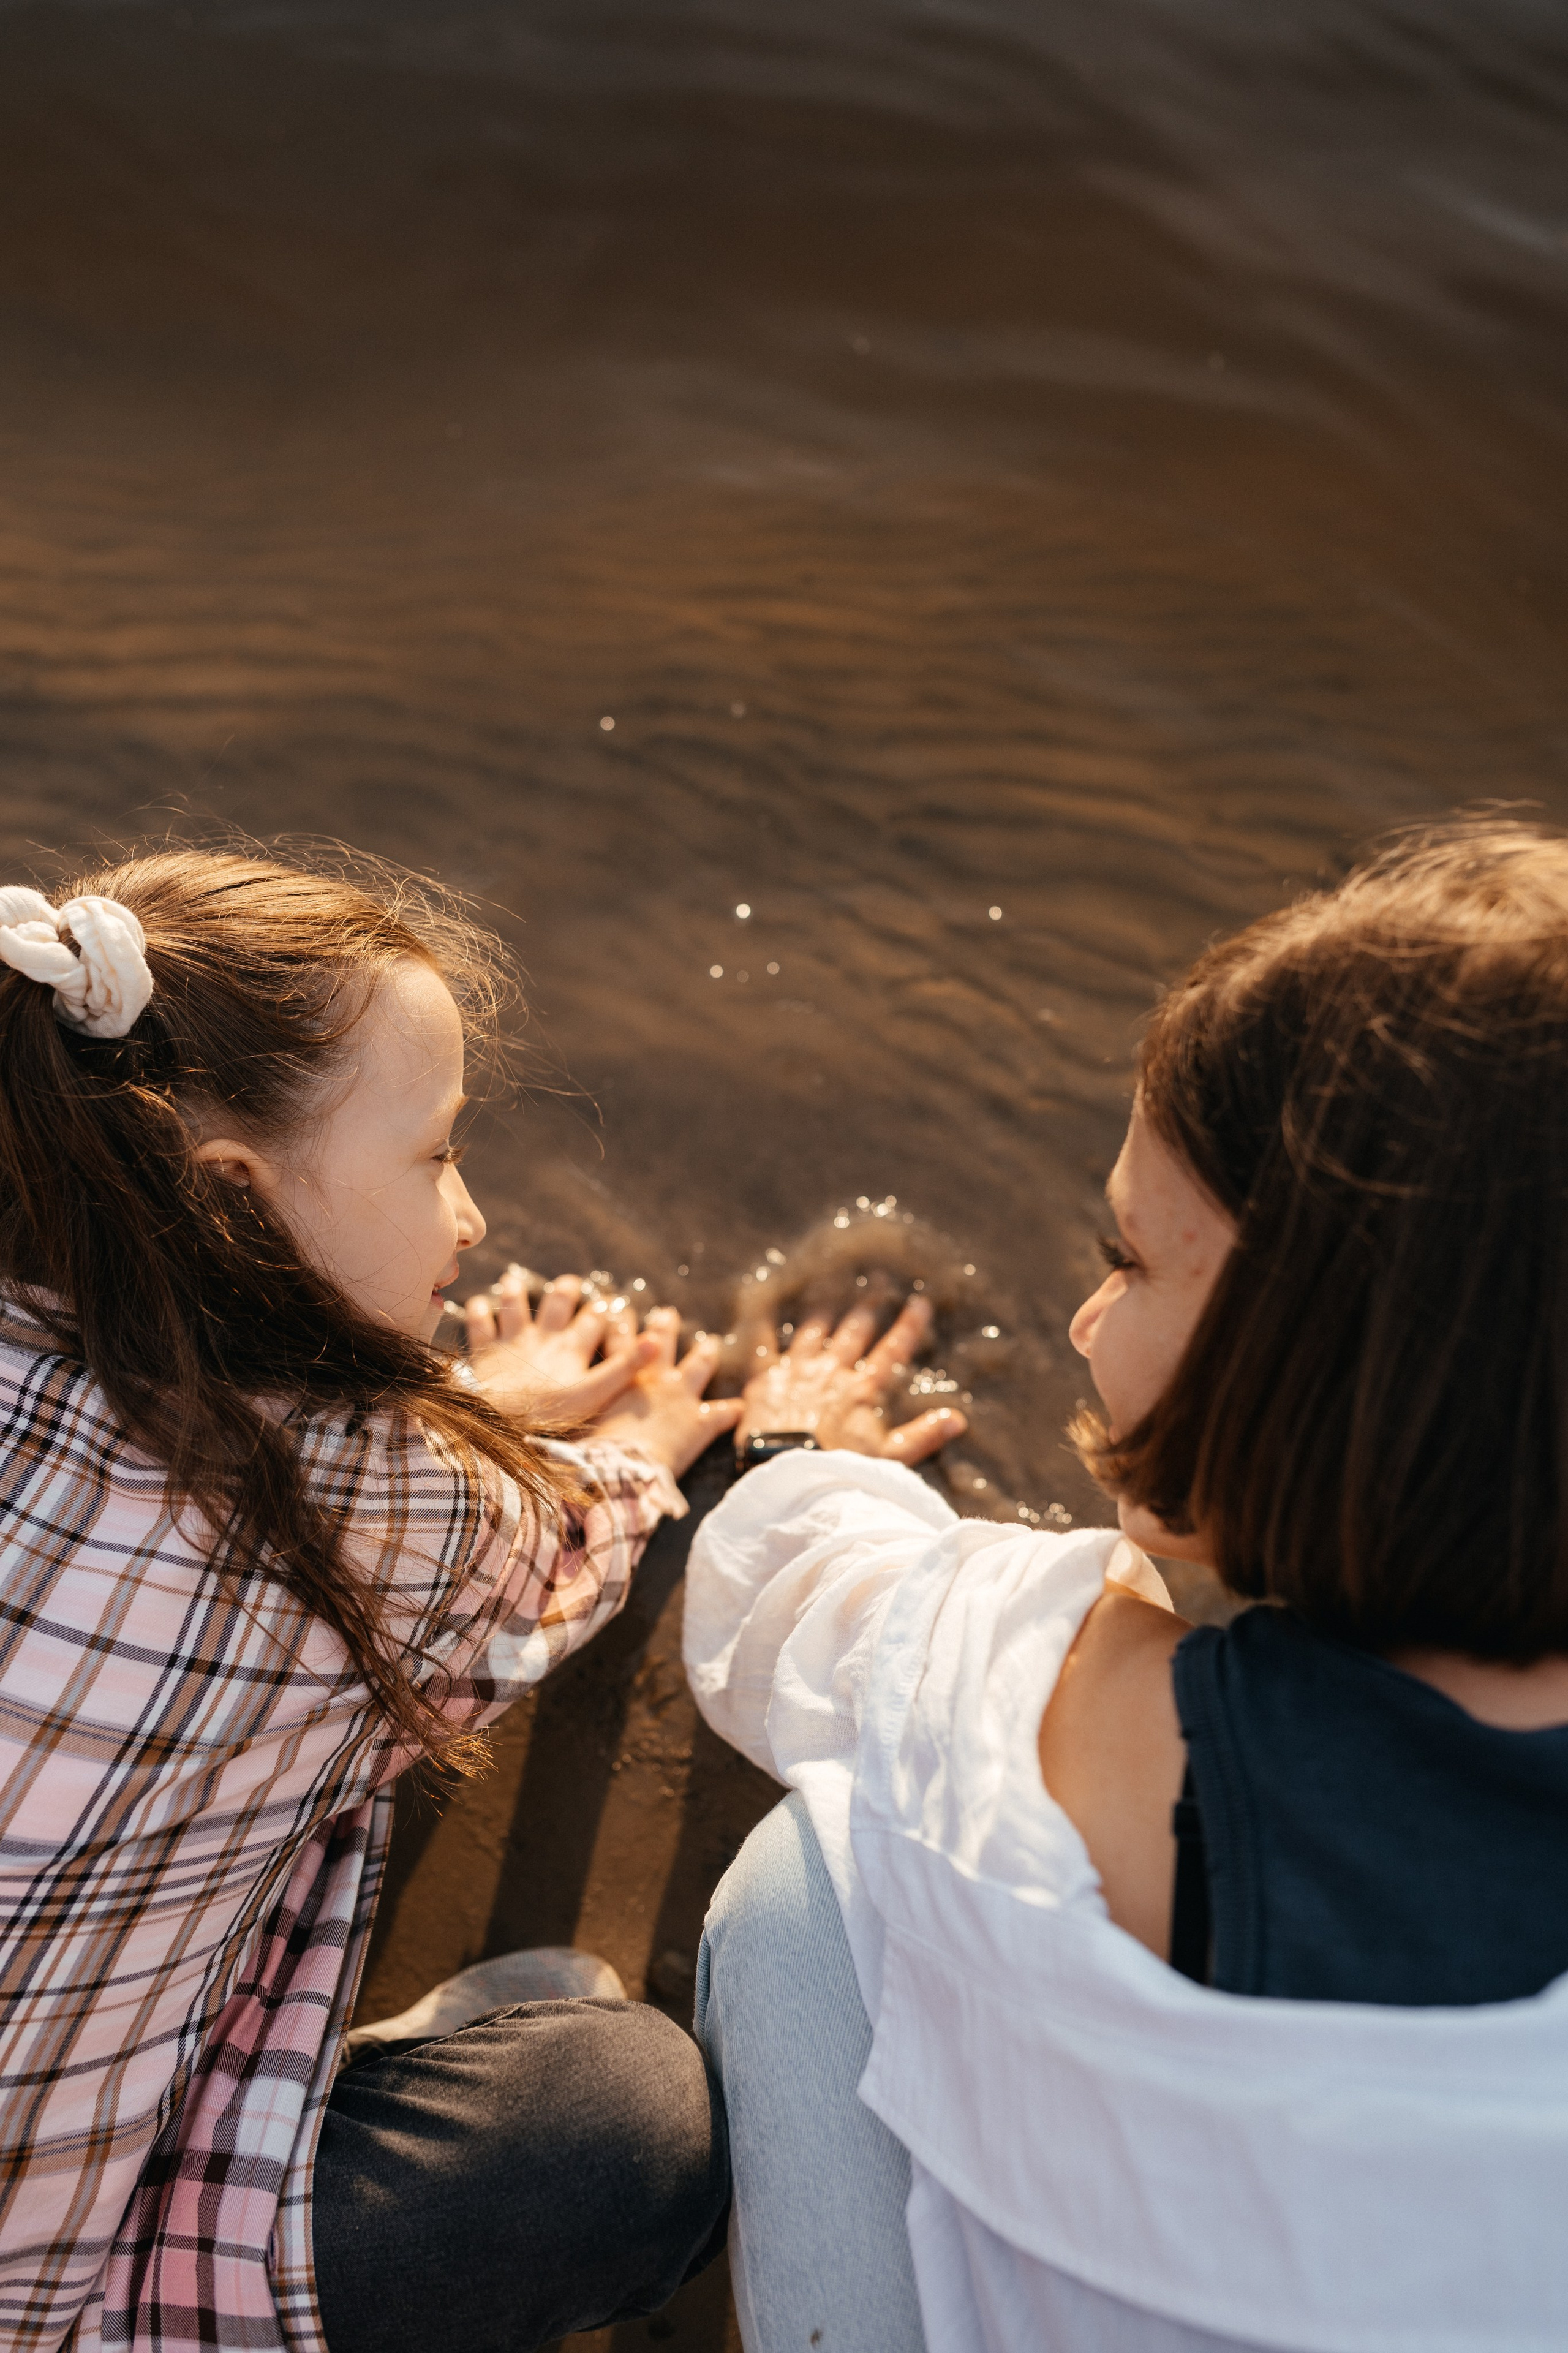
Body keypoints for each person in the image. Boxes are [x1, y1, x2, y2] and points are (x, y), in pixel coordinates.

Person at [685, 817, 1568, 2353]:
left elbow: (784, 1595)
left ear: (1332, 1365)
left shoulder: (1080, 1712)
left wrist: (792, 1447)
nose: (1088, 1320)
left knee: (820, 1872)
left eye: (1134, 1261)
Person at [0, 849, 741, 2353]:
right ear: (239, 1209)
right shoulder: (384, 1510)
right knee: (621, 2121)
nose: (468, 1219)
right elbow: (556, 1556)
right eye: (436, 1157)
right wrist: (607, 1444)